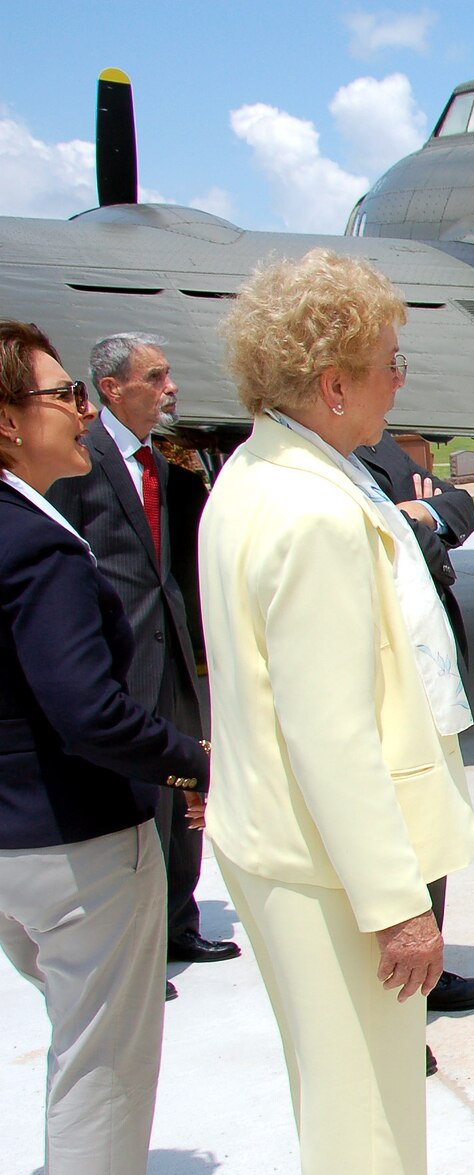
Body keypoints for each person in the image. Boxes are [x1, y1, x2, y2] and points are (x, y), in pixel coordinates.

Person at [198, 250, 474, 1175]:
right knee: (362, 1111)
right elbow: (330, 733)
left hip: (276, 843)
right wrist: (395, 898)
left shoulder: (259, 473)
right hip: (326, 863)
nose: (397, 381)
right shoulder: (314, 513)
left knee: (356, 1094)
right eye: (386, 362)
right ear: (332, 384)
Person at [0, 320, 209, 1175]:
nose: (81, 409)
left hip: (13, 844)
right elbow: (86, 709)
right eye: (61, 397)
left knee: (73, 1033)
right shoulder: (37, 546)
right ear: (7, 422)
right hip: (77, 844)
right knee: (106, 1049)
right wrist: (187, 760)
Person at [48, 332, 239, 970]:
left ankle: (178, 923)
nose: (170, 389)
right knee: (131, 804)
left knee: (185, 789)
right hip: (121, 654)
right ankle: (134, 949)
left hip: (174, 651)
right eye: (155, 378)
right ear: (111, 389)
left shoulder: (163, 465)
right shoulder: (81, 460)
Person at [354, 431, 474, 1040]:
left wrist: (425, 515)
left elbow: (461, 507)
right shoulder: (316, 464)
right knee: (389, 841)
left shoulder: (377, 446)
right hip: (382, 675)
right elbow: (384, 547)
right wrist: (413, 520)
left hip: (427, 670)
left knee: (429, 832)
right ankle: (391, 1017)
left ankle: (423, 978)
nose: (398, 380)